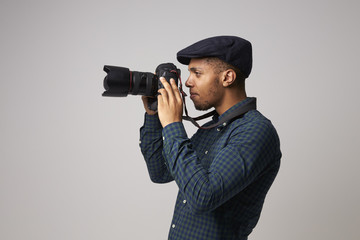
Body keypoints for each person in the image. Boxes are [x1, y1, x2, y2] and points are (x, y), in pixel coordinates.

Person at [139, 36, 281, 240]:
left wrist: (173, 125)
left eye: (197, 73)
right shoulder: (210, 128)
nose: (187, 82)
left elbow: (203, 197)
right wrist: (154, 116)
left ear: (227, 78)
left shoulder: (255, 131)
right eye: (189, 73)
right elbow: (159, 172)